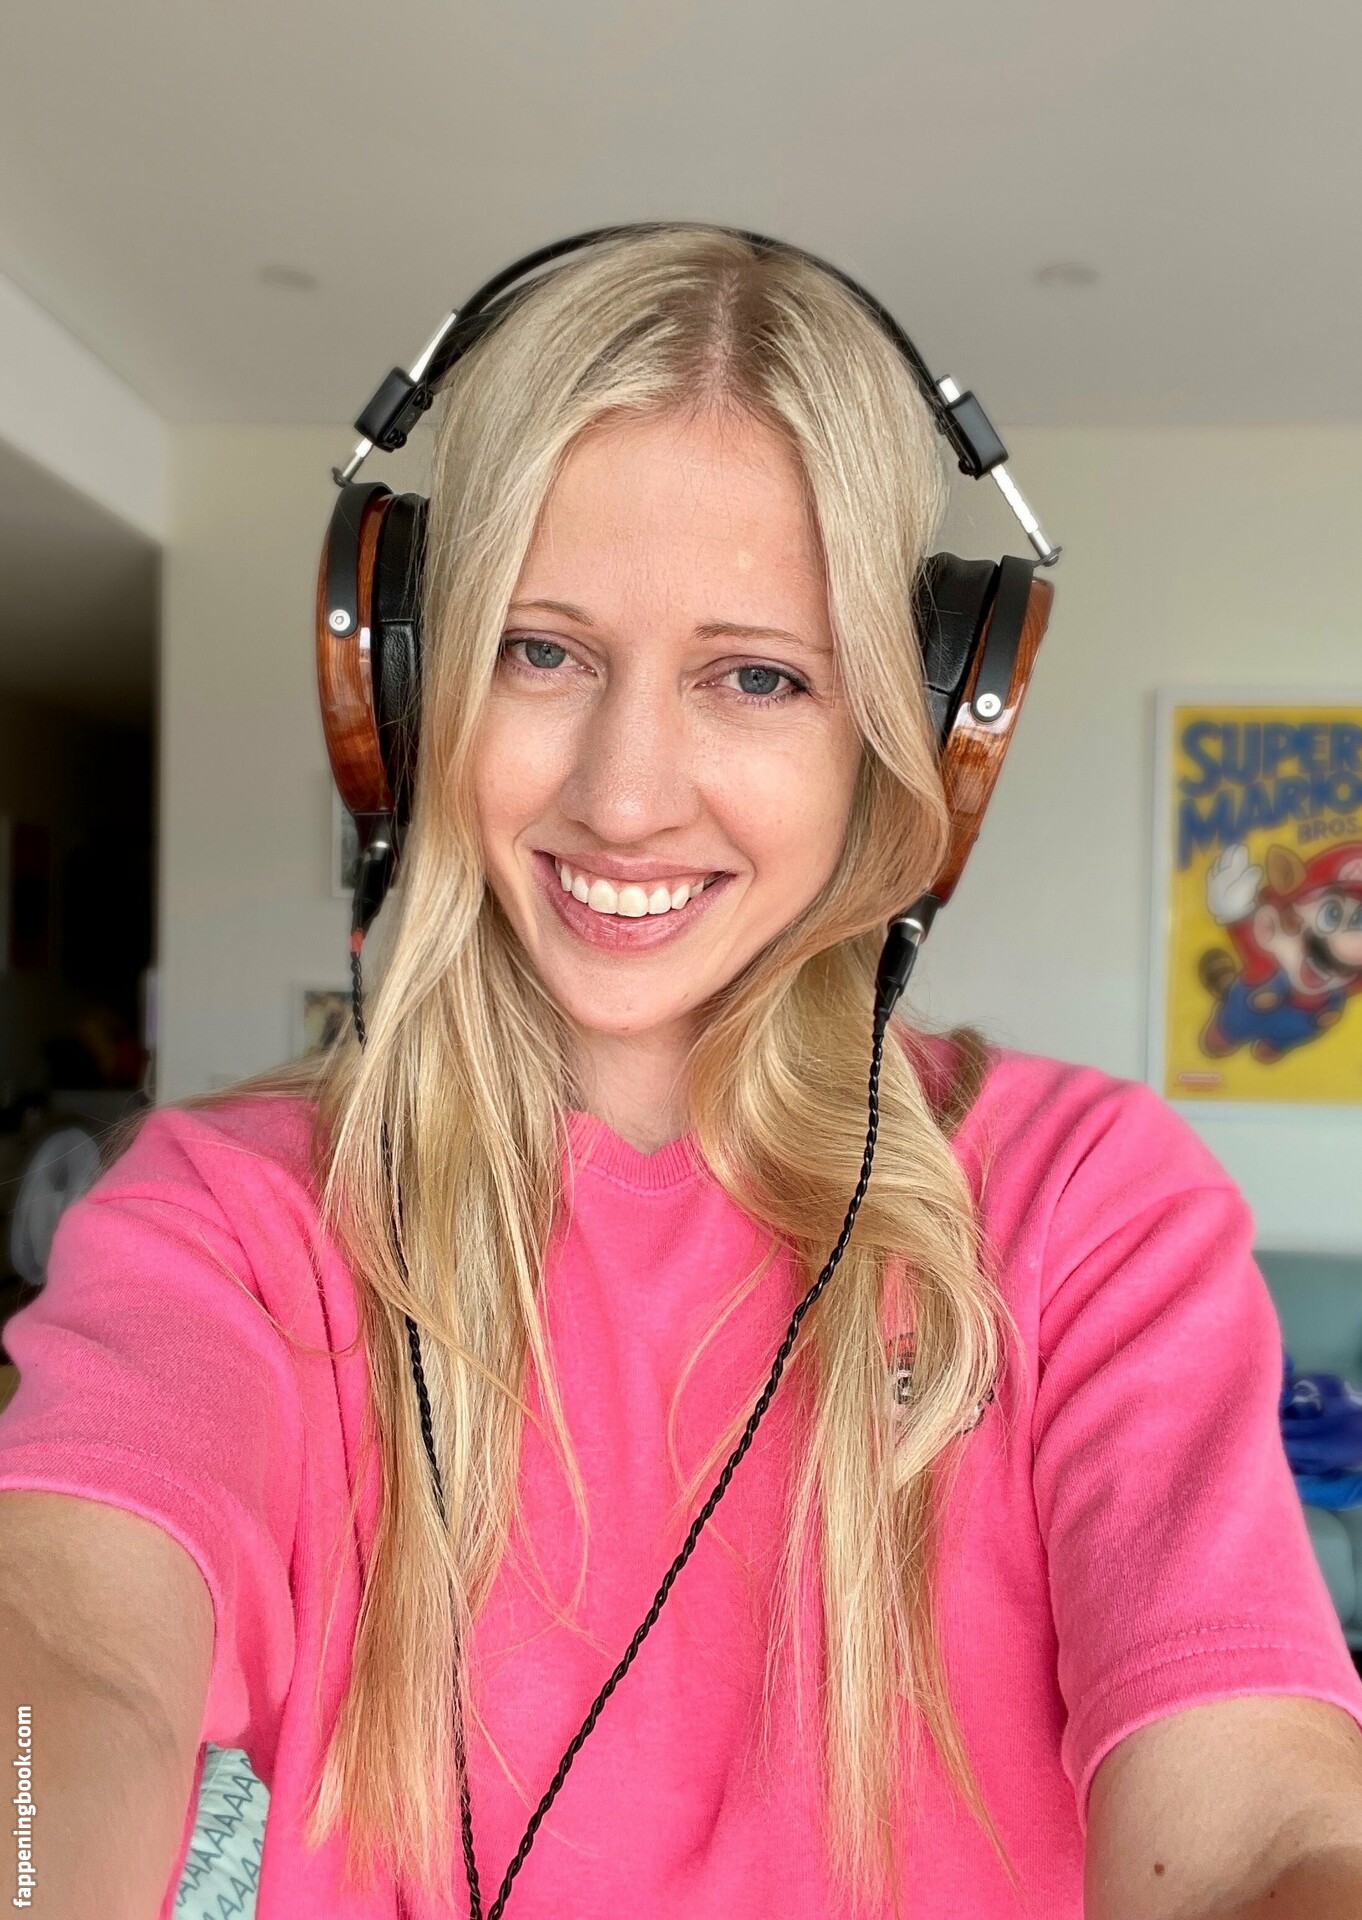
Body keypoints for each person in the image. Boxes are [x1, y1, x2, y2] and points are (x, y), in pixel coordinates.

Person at [2, 225, 1361, 1920]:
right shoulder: (230, 1215)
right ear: (407, 681)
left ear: (903, 733)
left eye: (757, 676)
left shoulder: (1086, 1206)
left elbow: (1258, 1829)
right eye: (540, 648)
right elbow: (67, 1650)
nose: (625, 795)